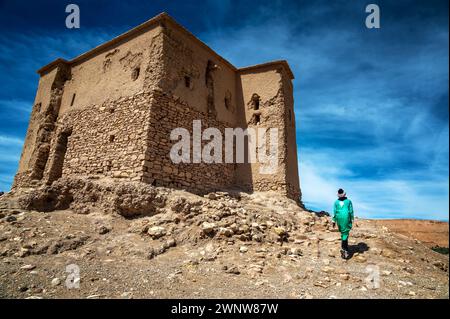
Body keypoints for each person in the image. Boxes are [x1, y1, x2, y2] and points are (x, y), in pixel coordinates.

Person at [332, 188, 354, 259]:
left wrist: (334, 220)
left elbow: (334, 212)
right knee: (345, 233)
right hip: (346, 218)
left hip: (339, 218)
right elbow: (351, 211)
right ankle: (345, 249)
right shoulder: (348, 201)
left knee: (343, 233)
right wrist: (352, 219)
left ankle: (344, 248)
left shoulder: (336, 202)